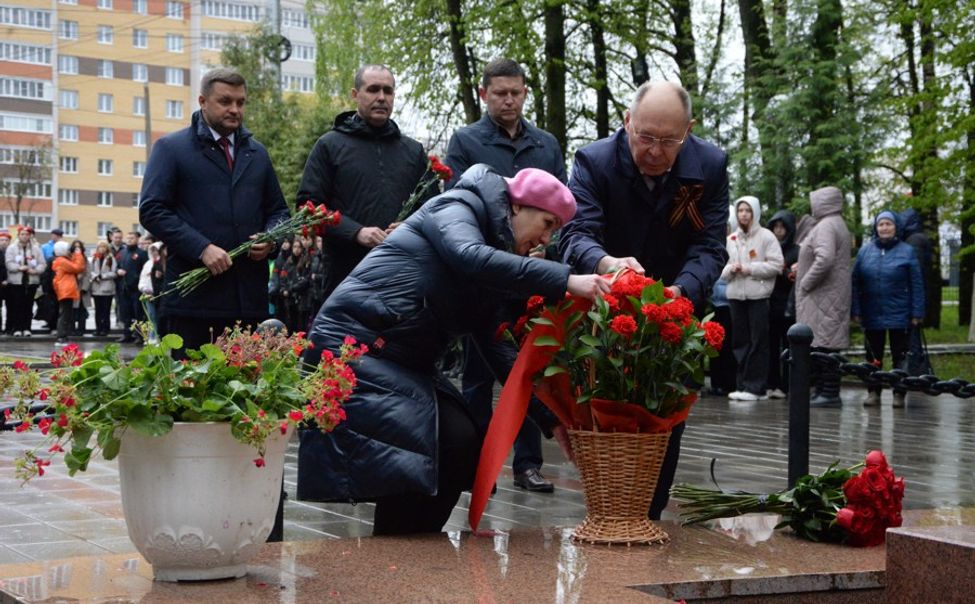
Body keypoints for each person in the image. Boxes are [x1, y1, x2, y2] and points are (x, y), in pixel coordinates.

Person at [298, 165, 610, 535]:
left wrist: (552, 419)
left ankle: (417, 546)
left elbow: (498, 346)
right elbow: (467, 254)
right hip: (355, 347)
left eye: (554, 230)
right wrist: (566, 280)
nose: (545, 239)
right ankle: (394, 554)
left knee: (461, 441)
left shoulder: (494, 255)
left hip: (401, 359)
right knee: (419, 451)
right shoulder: (457, 206)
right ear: (516, 207)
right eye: (546, 223)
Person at [558, 80, 729, 520]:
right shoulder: (593, 162)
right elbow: (575, 234)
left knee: (666, 416)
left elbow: (710, 246)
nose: (654, 150)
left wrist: (679, 292)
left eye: (668, 140)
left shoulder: (709, 166)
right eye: (645, 136)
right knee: (607, 419)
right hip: (606, 312)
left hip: (674, 313)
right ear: (627, 121)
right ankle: (608, 515)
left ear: (687, 132)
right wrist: (606, 263)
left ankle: (647, 517)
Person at [444, 58, 566, 493]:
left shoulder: (545, 143)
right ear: (484, 94)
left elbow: (560, 202)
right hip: (483, 274)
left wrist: (547, 241)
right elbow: (456, 201)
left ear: (525, 92)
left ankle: (527, 463)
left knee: (525, 369)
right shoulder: (466, 140)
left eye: (515, 91)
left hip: (529, 273)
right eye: (500, 92)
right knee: (479, 374)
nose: (508, 99)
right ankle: (481, 461)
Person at [139, 67, 289, 353]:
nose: (235, 109)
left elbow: (279, 211)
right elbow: (152, 210)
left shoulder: (256, 153)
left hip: (248, 301)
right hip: (194, 303)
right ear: (202, 101)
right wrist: (202, 247)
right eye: (225, 101)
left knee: (247, 391)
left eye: (241, 102)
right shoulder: (172, 148)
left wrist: (271, 239)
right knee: (194, 392)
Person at [296, 64, 433, 305]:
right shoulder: (330, 146)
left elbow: (433, 208)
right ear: (355, 94)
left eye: (388, 91)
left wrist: (410, 227)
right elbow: (309, 209)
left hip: (403, 276)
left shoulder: (413, 151)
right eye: (373, 89)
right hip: (346, 277)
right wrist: (356, 232)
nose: (381, 98)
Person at [851, 210, 924, 408]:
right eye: (881, 224)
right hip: (871, 313)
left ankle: (899, 393)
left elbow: (916, 283)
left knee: (900, 356)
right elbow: (855, 283)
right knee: (873, 357)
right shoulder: (865, 252)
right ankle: (873, 392)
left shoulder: (907, 251)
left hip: (900, 315)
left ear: (896, 227)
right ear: (876, 227)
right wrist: (856, 310)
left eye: (888, 224)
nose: (884, 228)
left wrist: (917, 313)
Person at [721, 196, 783, 401]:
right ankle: (742, 385)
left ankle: (756, 387)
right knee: (740, 342)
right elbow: (720, 269)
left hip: (758, 296)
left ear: (755, 212)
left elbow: (776, 265)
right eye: (740, 211)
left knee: (758, 342)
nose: (743, 214)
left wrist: (750, 269)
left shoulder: (767, 236)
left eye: (748, 211)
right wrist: (731, 269)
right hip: (735, 296)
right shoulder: (731, 240)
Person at [795, 186, 852, 407]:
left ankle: (828, 393)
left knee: (824, 345)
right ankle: (823, 390)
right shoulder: (836, 223)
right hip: (829, 295)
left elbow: (825, 258)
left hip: (822, 296)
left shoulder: (826, 226)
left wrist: (805, 282)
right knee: (825, 344)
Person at [766, 209, 799, 398]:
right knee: (771, 346)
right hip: (770, 303)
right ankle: (772, 383)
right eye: (775, 227)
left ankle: (787, 384)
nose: (779, 231)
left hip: (788, 305)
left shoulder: (797, 250)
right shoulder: (769, 249)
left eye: (782, 227)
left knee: (789, 347)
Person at [898, 208, 934, 376]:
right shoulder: (917, 239)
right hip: (916, 298)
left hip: (912, 299)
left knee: (912, 340)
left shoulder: (914, 241)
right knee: (913, 338)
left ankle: (913, 372)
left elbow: (914, 273)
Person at [4, 226, 45, 337]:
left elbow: (42, 264)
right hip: (16, 282)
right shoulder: (12, 248)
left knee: (29, 306)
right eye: (22, 234)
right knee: (17, 306)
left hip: (31, 282)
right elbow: (9, 263)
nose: (24, 236)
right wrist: (19, 268)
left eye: (26, 234)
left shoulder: (36, 249)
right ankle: (17, 328)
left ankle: (27, 328)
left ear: (30, 236)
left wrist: (35, 271)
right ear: (18, 235)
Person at [115, 232, 148, 344]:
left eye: (132, 238)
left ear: (137, 239)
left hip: (136, 288)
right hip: (124, 288)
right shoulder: (122, 252)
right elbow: (118, 266)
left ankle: (139, 336)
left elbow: (145, 271)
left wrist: (134, 277)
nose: (129, 240)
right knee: (125, 313)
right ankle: (127, 334)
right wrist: (118, 271)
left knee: (138, 313)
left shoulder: (142, 253)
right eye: (128, 238)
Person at [51, 241, 86, 345]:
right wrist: (78, 254)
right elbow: (78, 268)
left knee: (66, 313)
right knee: (65, 314)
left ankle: (63, 336)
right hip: (66, 290)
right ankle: (61, 337)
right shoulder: (61, 261)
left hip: (65, 289)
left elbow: (74, 265)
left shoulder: (61, 260)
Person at [90, 241, 117, 336]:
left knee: (106, 310)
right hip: (96, 287)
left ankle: (105, 328)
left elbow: (114, 272)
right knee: (97, 310)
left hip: (107, 287)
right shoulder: (94, 258)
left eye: (104, 247)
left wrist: (103, 276)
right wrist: (95, 276)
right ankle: (98, 328)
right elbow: (90, 270)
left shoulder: (110, 258)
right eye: (100, 247)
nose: (102, 249)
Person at [69, 240, 91, 336]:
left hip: (82, 288)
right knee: (72, 310)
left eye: (79, 247)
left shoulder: (85, 259)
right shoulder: (69, 258)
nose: (77, 249)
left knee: (82, 309)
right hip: (72, 287)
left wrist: (85, 287)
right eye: (75, 247)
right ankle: (72, 329)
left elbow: (88, 274)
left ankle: (81, 329)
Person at [0, 229, 10, 334]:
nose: (3, 242)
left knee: (10, 307)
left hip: (10, 283)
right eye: (1, 240)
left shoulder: (11, 251)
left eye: (6, 240)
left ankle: (9, 327)